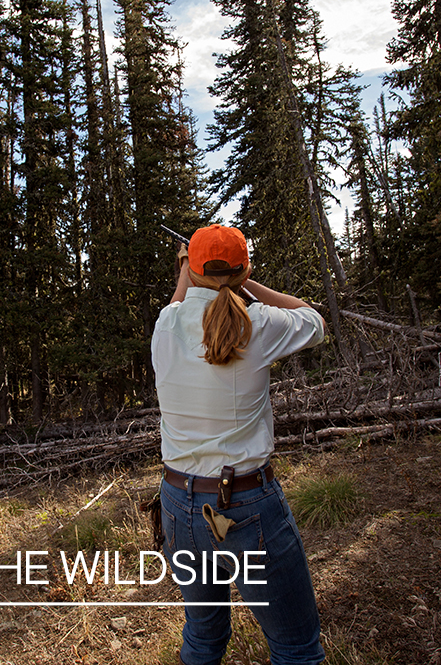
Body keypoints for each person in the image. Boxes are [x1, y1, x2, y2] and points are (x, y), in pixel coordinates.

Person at [151, 224, 326, 665]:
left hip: (178, 505)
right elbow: (314, 320)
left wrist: (187, 271)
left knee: (203, 638)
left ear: (189, 269)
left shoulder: (165, 325)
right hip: (246, 503)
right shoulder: (259, 323)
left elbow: (180, 304)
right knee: (295, 648)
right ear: (244, 269)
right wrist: (246, 283)